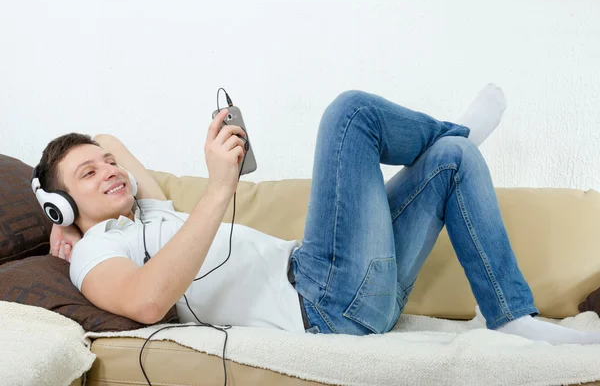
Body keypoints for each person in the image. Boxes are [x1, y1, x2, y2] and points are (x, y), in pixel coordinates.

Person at [41, 85, 600, 345]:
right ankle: (450, 135)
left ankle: (510, 316)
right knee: (349, 113)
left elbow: (104, 136)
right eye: (88, 175)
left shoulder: (147, 210)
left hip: (336, 279)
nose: (110, 169)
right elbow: (144, 302)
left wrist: (62, 212)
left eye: (109, 165)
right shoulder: (96, 251)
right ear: (62, 200)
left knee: (452, 160)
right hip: (319, 302)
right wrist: (217, 190)